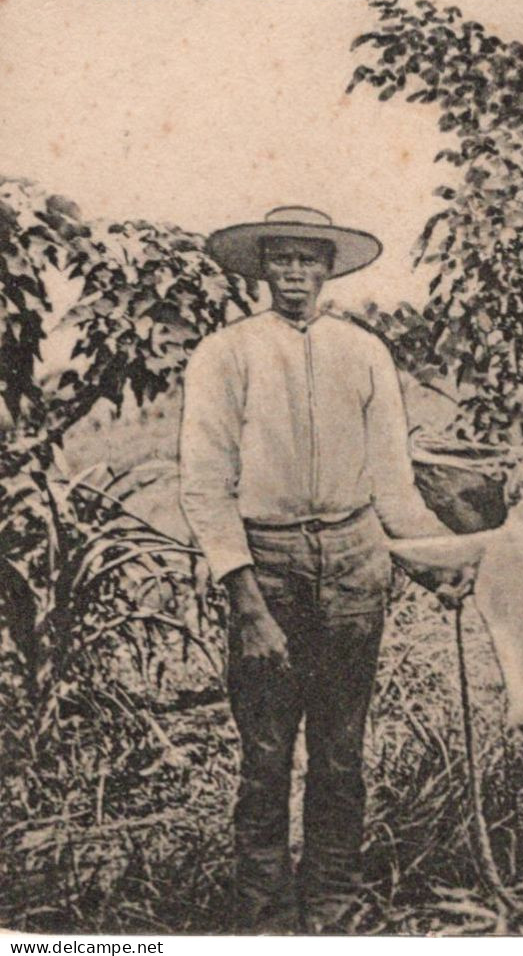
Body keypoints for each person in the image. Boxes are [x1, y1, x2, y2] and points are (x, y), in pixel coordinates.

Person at [179, 206, 467, 932]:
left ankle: (335, 903)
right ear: (261, 269)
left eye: (309, 261)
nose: (295, 275)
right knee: (267, 753)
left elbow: (392, 482)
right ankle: (265, 915)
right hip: (267, 566)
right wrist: (246, 603)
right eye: (282, 260)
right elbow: (205, 486)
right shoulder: (226, 353)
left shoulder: (363, 351)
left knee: (341, 753)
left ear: (329, 269)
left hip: (353, 562)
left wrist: (437, 565)